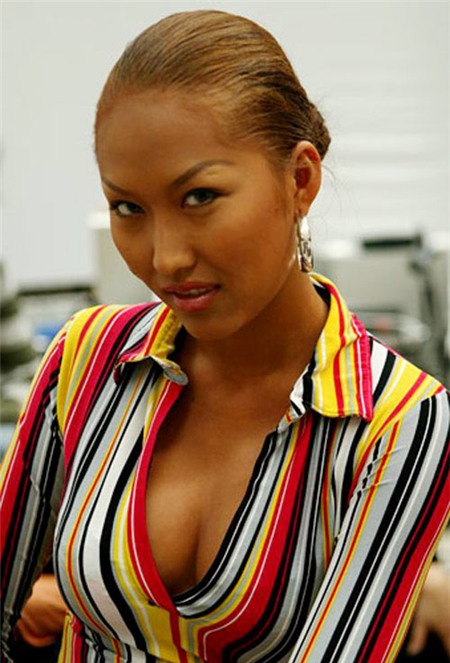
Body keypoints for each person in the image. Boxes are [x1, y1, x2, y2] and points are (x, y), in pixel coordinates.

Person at [1, 10, 448, 663]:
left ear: (300, 179)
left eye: (200, 196)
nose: (165, 258)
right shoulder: (87, 356)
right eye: (128, 208)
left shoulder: (397, 419)